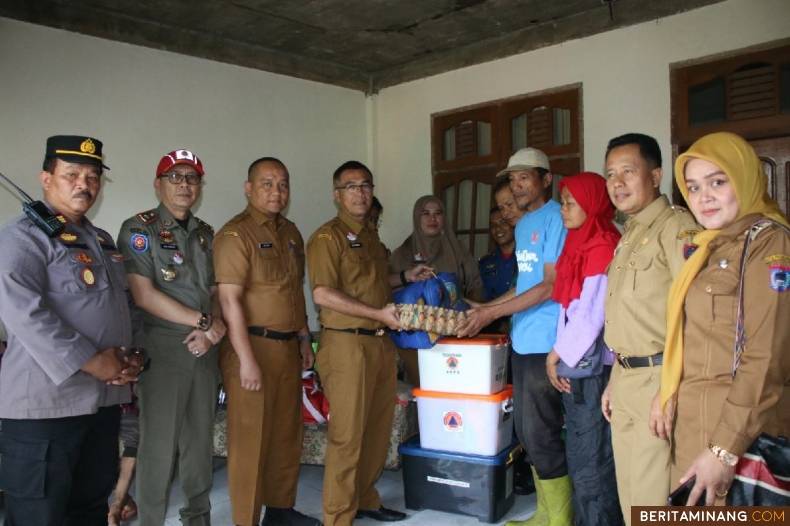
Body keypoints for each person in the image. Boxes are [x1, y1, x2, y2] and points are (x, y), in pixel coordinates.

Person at [0, 135, 146, 526]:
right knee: (39, 516)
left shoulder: (100, 241)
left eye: (93, 176)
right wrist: (90, 360)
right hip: (44, 411)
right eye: (72, 174)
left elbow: (127, 308)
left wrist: (136, 357)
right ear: (46, 178)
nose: (84, 184)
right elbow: (23, 312)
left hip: (100, 406)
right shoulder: (20, 238)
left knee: (88, 511)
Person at [661, 132, 790, 506]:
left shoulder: (769, 243)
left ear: (746, 177)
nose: (704, 196)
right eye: (694, 186)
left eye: (718, 181)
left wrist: (723, 450)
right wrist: (665, 392)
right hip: (691, 429)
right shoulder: (707, 247)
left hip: (738, 437)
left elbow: (766, 359)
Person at [307, 161, 431, 526]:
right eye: (351, 187)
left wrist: (405, 276)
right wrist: (379, 315)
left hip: (378, 345)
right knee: (347, 438)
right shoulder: (327, 238)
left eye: (365, 185)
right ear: (336, 194)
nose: (360, 193)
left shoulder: (370, 235)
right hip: (347, 347)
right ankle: (337, 517)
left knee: (376, 433)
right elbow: (323, 293)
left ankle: (365, 499)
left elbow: (374, 285)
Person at [457, 148, 572, 526]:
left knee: (541, 431)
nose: (517, 186)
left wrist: (491, 313)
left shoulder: (557, 219)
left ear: (546, 180)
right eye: (512, 179)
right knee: (525, 430)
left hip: (548, 342)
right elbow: (524, 284)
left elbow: (551, 287)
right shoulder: (525, 226)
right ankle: (545, 512)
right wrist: (483, 307)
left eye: (525, 177)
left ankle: (560, 518)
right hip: (523, 339)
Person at [117, 148, 226, 525]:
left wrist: (212, 333)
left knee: (199, 446)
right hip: (164, 349)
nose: (184, 184)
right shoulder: (138, 229)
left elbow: (217, 291)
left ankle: (198, 518)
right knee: (158, 448)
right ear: (158, 184)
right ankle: (150, 521)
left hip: (205, 348)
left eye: (191, 177)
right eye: (175, 177)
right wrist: (204, 323)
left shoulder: (207, 234)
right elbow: (145, 295)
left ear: (200, 186)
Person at [214, 157, 321, 526]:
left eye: (283, 184)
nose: (277, 191)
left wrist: (305, 339)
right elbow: (228, 301)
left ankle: (280, 510)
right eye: (267, 183)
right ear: (249, 188)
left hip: (287, 348)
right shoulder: (234, 235)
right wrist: (245, 360)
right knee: (249, 442)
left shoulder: (290, 232)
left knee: (284, 434)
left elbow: (294, 293)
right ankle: (246, 520)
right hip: (252, 347)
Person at [599, 133, 700, 521]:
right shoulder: (630, 234)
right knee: (629, 494)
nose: (617, 183)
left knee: (652, 502)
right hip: (625, 379)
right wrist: (613, 379)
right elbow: (629, 320)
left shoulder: (676, 228)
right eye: (611, 174)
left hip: (658, 381)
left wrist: (669, 388)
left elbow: (694, 314)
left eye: (628, 171)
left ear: (655, 175)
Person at [545, 172, 623, 525]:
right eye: (563, 202)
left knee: (591, 458)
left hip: (591, 367)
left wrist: (556, 354)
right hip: (578, 361)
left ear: (591, 204)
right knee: (580, 452)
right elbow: (570, 307)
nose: (563, 209)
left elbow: (592, 314)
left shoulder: (603, 244)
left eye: (570, 202)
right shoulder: (579, 241)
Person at [389, 195, 483, 385]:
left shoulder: (458, 250)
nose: (432, 219)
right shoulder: (403, 253)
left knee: (453, 387)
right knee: (424, 390)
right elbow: (389, 292)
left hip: (454, 333)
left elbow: (475, 285)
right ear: (417, 217)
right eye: (426, 214)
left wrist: (469, 318)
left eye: (438, 213)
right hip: (415, 339)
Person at [478, 206, 517, 333]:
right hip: (496, 331)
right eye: (493, 225)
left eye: (503, 222)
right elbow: (484, 301)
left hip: (525, 326)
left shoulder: (527, 257)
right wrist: (499, 325)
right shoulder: (485, 264)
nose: (498, 228)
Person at [108, 389, 140, 526]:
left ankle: (118, 504)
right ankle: (122, 501)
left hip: (128, 402)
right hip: (90, 405)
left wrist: (118, 503)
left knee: (134, 440)